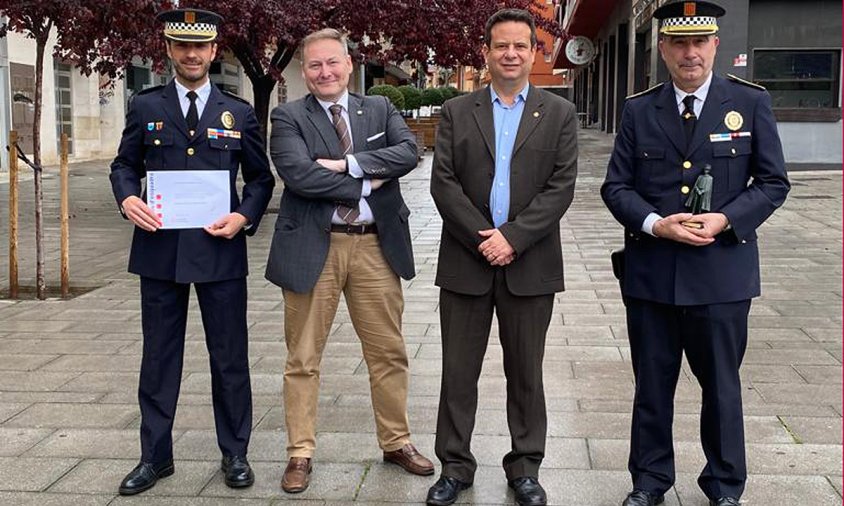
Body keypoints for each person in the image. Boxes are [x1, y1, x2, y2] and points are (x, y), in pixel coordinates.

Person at [600, 2, 790, 506]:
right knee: (651, 388)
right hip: (653, 274)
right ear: (662, 49)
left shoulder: (749, 103)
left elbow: (773, 182)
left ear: (715, 45)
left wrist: (725, 218)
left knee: (722, 389)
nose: (690, 53)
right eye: (679, 43)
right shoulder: (639, 109)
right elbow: (616, 187)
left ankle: (725, 487)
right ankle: (648, 482)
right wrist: (655, 223)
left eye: (699, 42)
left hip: (721, 274)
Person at [109, 8, 275, 496]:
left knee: (229, 357)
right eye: (182, 45)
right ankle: (154, 457)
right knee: (159, 358)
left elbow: (261, 178)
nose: (191, 54)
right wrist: (128, 197)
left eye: (200, 46)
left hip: (220, 249)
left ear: (214, 50)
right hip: (160, 250)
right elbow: (124, 165)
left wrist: (244, 216)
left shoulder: (238, 111)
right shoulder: (145, 106)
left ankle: (235, 453)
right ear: (168, 49)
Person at [264, 28, 434, 493]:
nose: (325, 72)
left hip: (375, 247)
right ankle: (300, 452)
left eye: (333, 62)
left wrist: (347, 165)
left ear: (349, 64)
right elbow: (298, 175)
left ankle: (396, 441)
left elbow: (409, 151)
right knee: (302, 357)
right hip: (312, 247)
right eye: (315, 65)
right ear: (304, 70)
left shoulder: (378, 108)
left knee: (388, 352)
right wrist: (368, 182)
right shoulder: (288, 116)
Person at [427, 9, 578, 506]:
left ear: (534, 52)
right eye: (501, 46)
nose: (510, 54)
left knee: (527, 373)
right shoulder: (456, 110)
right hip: (466, 263)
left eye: (520, 46)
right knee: (458, 372)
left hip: (529, 264)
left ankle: (525, 467)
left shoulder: (558, 113)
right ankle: (455, 465)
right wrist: (483, 238)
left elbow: (561, 188)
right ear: (486, 52)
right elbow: (443, 183)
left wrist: (512, 237)